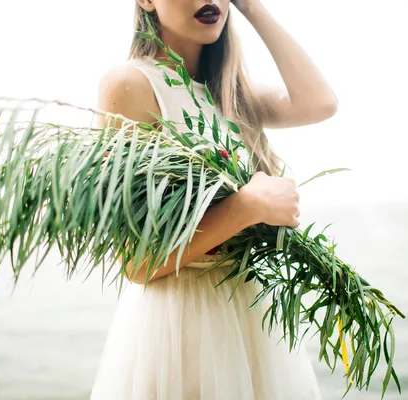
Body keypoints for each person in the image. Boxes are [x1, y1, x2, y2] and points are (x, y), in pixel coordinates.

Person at [90, 1, 338, 398]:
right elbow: (135, 261)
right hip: (183, 326)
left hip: (249, 318)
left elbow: (319, 103)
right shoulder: (131, 84)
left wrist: (253, 8)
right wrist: (246, 207)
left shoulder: (228, 94)